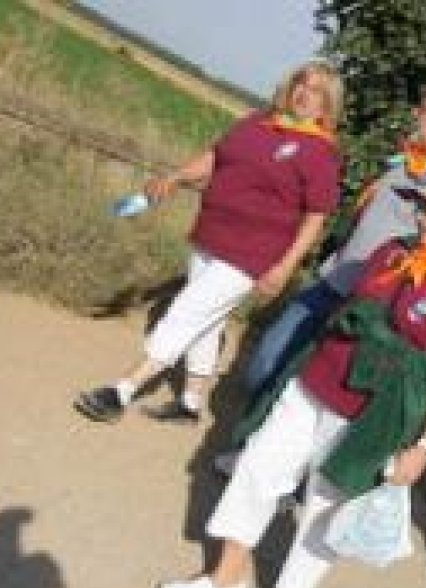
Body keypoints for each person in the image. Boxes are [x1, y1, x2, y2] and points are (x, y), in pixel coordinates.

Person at [158, 162, 426, 588]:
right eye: (425, 208)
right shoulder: (392, 253)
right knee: (256, 467)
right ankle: (227, 577)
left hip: (375, 418)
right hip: (315, 383)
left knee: (326, 504)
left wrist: (425, 449)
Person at [211, 77, 426, 476]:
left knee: (307, 385)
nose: (415, 114)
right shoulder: (408, 160)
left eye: (424, 110)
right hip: (333, 282)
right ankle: (262, 455)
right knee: (267, 364)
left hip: (369, 309)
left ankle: (262, 463)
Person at [74, 60, 343, 424]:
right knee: (207, 320)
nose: (304, 95)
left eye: (316, 92)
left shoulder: (321, 153)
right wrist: (178, 176)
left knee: (187, 311)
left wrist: (285, 266)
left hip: (253, 254)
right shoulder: (257, 122)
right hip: (211, 234)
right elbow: (217, 157)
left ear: (327, 105)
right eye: (301, 84)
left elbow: (316, 217)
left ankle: (120, 391)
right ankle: (190, 403)